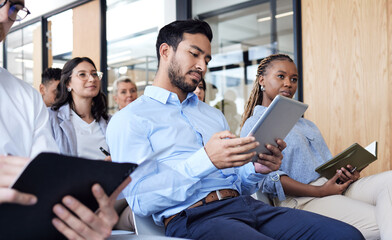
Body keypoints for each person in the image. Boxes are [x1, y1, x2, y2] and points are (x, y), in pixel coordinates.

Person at [107, 19, 364, 240]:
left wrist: (256, 169)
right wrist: (205, 160)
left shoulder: (212, 116)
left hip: (245, 206)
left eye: (206, 58)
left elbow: (239, 183)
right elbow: (142, 201)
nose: (202, 66)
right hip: (195, 217)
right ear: (165, 52)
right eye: (194, 54)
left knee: (347, 235)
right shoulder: (130, 119)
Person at [0, 2, 120, 238]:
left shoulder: (26, 99)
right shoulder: (53, 116)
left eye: (14, 7)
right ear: (69, 83)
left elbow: (48, 191)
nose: (5, 15)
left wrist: (76, 219)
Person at [241, 53, 391, 239]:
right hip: (303, 200)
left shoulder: (306, 124)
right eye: (281, 76)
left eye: (293, 79)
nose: (288, 83)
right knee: (381, 223)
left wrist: (345, 173)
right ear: (262, 80)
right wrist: (320, 191)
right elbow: (267, 180)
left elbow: (325, 165)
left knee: (390, 181)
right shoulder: (255, 124)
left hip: (332, 188)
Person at [48, 57, 110, 160]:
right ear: (68, 83)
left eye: (94, 74)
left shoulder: (109, 121)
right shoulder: (50, 118)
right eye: (82, 74)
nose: (92, 79)